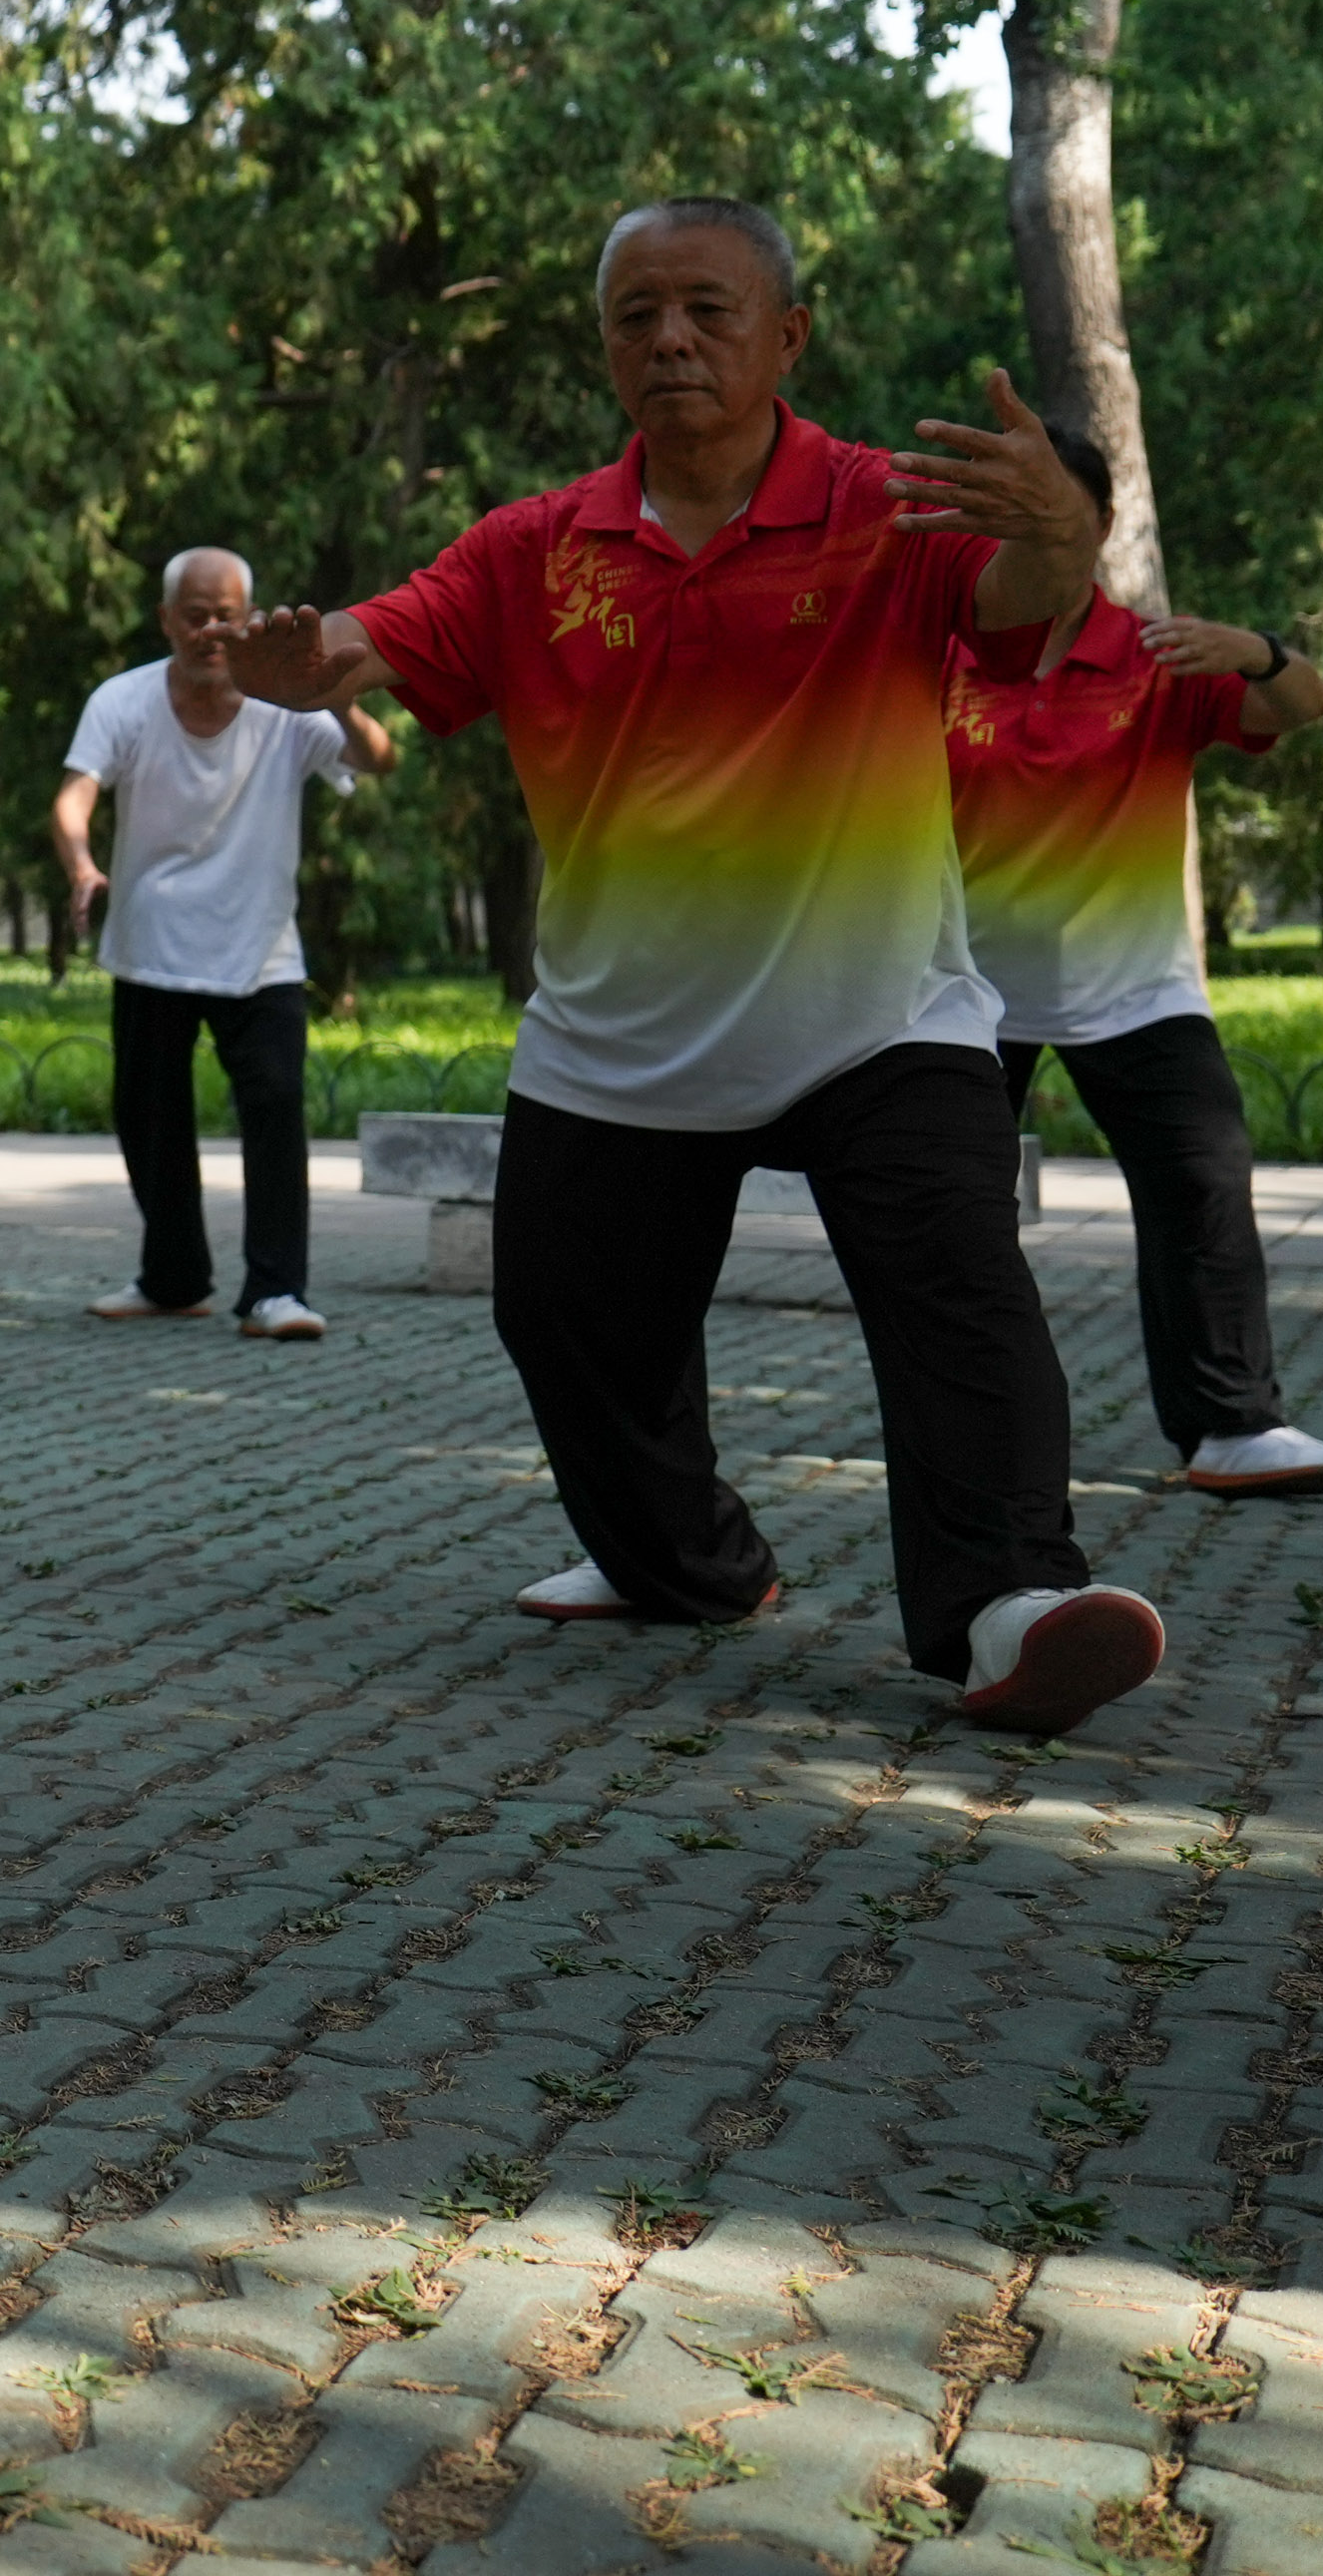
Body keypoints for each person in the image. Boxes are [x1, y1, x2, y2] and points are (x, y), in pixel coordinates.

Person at [220, 195, 1160, 1733]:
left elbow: (1027, 603)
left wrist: (1063, 524)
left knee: (958, 1294)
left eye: (709, 311)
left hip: (879, 1016)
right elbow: (373, 643)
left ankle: (1009, 1607)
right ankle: (689, 1566)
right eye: (636, 315)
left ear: (788, 336)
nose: (669, 338)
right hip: (620, 1040)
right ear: (605, 348)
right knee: (567, 1327)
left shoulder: (890, 507)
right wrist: (297, 667)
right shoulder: (535, 546)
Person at [951, 430, 1323, 1501]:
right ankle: (967, 1435)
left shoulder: (1158, 653)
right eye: (1015, 514)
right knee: (948, 1215)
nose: (1035, 532)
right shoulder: (936, 656)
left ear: (1098, 528)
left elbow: (1306, 703)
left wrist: (1257, 652)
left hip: (1133, 986)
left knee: (1203, 1176)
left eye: (1057, 513)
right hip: (960, 987)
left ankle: (1232, 1425)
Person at [57, 548, 400, 1338]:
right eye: (195, 614)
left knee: (275, 1112)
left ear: (250, 619)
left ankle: (276, 1290)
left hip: (260, 952)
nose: (212, 630)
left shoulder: (286, 707)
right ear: (167, 621)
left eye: (228, 615)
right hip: (150, 944)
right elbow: (76, 793)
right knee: (149, 1120)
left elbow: (379, 760)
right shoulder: (125, 700)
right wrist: (81, 862)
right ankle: (173, 1279)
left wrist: (336, 695)